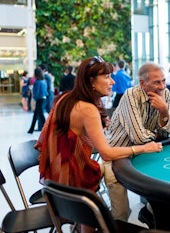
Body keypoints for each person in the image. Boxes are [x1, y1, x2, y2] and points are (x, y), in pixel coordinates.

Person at [34, 56, 163, 233]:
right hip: (74, 179)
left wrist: (100, 124)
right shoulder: (88, 109)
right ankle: (109, 222)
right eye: (107, 77)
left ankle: (77, 223)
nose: (112, 81)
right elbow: (106, 153)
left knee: (108, 172)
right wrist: (144, 148)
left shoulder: (66, 98)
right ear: (91, 82)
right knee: (109, 172)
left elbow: (71, 131)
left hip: (56, 177)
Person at [104, 62, 170, 223]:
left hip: (146, 153)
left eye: (164, 81)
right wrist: (157, 131)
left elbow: (169, 132)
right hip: (118, 155)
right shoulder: (131, 95)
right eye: (157, 82)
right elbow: (139, 137)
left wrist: (164, 111)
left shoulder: (165, 95)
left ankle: (149, 213)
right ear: (142, 83)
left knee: (166, 187)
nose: (162, 86)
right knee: (121, 214)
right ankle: (119, 224)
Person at [27, 67, 48, 134]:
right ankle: (31, 129)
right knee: (36, 114)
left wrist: (34, 99)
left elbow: (36, 92)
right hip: (43, 98)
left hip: (39, 98)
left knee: (40, 114)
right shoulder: (44, 81)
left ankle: (47, 129)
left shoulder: (37, 82)